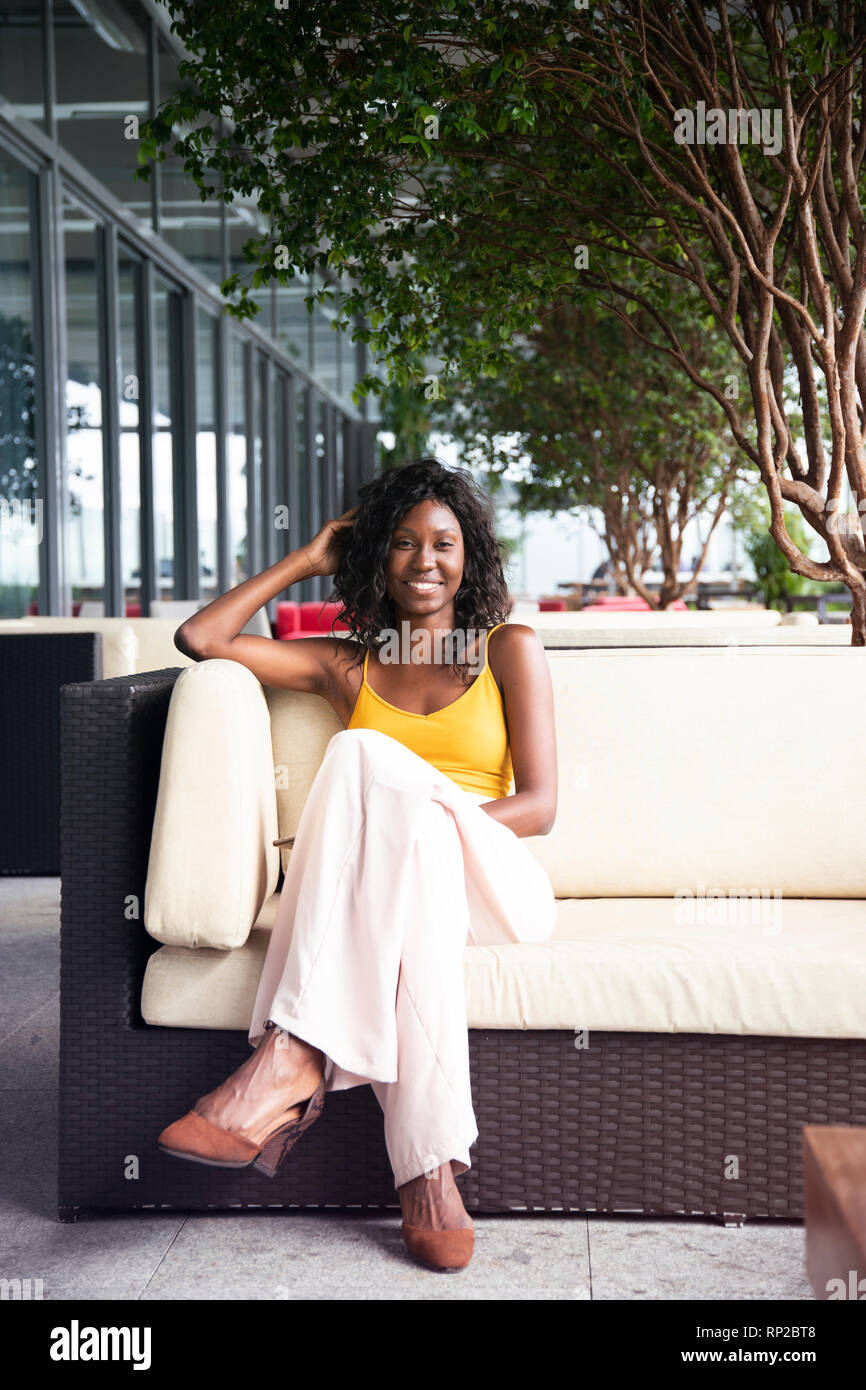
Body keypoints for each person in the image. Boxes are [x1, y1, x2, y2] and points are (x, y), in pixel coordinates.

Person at [157, 457, 558, 1272]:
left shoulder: (508, 648)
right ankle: (426, 1172)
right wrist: (307, 559)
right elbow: (202, 640)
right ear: (376, 558)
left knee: (361, 753)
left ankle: (291, 1059)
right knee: (363, 772)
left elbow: (542, 807)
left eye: (444, 543)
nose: (424, 560)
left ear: (469, 558)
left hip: (492, 877)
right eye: (402, 543)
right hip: (409, 900)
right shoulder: (349, 664)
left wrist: (425, 832)